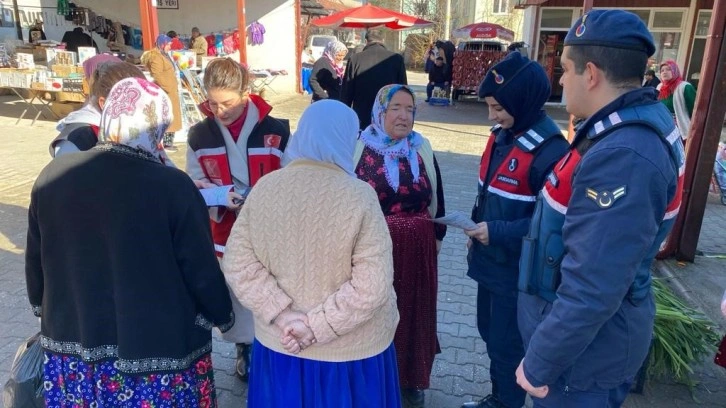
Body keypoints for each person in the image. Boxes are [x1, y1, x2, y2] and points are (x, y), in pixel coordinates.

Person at [26, 77, 234, 408]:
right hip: (158, 353)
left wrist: (41, 305)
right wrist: (222, 314)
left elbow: (37, 258)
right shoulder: (173, 187)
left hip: (74, 339)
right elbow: (200, 269)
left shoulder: (53, 176)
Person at [515, 10, 684, 407]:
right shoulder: (623, 126)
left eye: (566, 69)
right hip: (584, 349)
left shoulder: (624, 154)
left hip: (581, 363)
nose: (559, 79)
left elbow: (594, 286)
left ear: (590, 74)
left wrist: (539, 362)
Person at [222, 99, 401, 407]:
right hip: (350, 355)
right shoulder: (360, 196)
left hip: (281, 345)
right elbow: (372, 288)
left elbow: (237, 263)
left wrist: (283, 315)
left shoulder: (265, 188)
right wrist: (315, 327)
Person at [461, 51, 569, 408]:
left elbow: (556, 223)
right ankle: (497, 397)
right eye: (489, 106)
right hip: (490, 262)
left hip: (519, 273)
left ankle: (507, 402)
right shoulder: (504, 135)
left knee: (509, 347)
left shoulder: (551, 151)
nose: (492, 116)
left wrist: (499, 231)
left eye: (497, 108)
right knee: (491, 337)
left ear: (522, 101)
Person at [186, 57, 290, 382]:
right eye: (213, 103)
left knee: (273, 285)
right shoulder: (199, 135)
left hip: (270, 228)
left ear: (246, 91)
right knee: (237, 292)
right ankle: (244, 345)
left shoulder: (276, 130)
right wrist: (212, 194)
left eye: (227, 103)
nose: (219, 111)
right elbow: (192, 184)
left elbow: (293, 178)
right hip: (225, 228)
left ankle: (275, 347)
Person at [354, 84, 445, 408]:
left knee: (413, 316)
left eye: (410, 109)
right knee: (375, 314)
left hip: (418, 251)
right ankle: (374, 379)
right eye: (396, 108)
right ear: (380, 111)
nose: (404, 116)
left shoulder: (421, 147)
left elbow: (438, 196)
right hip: (374, 251)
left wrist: (436, 239)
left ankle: (411, 381)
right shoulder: (360, 148)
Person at [50, 58, 143, 158]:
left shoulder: (133, 128)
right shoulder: (77, 140)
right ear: (104, 104)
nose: (140, 110)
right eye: (131, 102)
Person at [341, 29, 407, 129]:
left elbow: (347, 92)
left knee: (363, 143)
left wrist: (344, 117)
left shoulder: (355, 59)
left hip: (362, 115)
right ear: (383, 40)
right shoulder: (396, 59)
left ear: (366, 41)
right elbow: (403, 90)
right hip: (388, 113)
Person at [142, 34, 183, 150]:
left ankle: (169, 142)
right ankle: (166, 143)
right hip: (166, 91)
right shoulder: (156, 57)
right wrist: (168, 87)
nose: (170, 47)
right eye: (169, 44)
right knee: (166, 116)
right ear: (162, 44)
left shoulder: (163, 55)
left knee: (172, 116)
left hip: (170, 91)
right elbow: (157, 74)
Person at [658, 60, 696, 141]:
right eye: (662, 70)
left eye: (668, 69)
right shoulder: (660, 87)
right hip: (661, 126)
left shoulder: (685, 87)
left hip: (679, 128)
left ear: (675, 71)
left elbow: (694, 110)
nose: (664, 72)